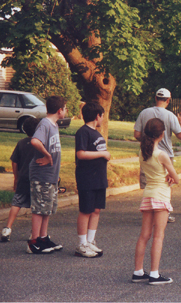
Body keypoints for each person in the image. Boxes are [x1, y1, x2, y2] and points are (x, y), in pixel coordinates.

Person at [132, 118, 180, 285]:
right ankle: (154, 273)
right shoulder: (162, 154)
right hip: (161, 195)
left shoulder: (143, 152)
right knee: (158, 236)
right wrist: (169, 176)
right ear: (162, 134)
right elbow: (176, 178)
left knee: (144, 235)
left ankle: (138, 271)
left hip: (148, 194)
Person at [134, 88, 181, 223]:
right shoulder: (170, 116)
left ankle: (148, 211)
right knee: (166, 183)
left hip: (147, 152)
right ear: (168, 100)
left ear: (155, 98)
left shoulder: (144, 113)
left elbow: (137, 134)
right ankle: (163, 213)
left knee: (148, 182)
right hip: (165, 154)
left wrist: (146, 142)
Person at [27, 95, 67, 254]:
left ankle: (43, 238)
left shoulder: (54, 125)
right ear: (59, 110)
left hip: (50, 176)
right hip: (41, 175)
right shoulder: (45, 124)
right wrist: (47, 155)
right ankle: (33, 241)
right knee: (39, 208)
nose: (66, 110)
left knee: (47, 208)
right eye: (65, 108)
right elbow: (35, 141)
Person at [74, 103, 111, 258]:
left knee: (96, 210)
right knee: (86, 210)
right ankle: (82, 244)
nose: (103, 119)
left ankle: (90, 241)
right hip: (87, 178)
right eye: (102, 116)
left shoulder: (97, 133)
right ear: (98, 116)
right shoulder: (83, 132)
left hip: (99, 178)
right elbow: (81, 154)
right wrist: (103, 155)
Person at [1, 117, 40, 242]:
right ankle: (34, 233)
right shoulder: (39, 144)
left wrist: (16, 178)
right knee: (37, 206)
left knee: (16, 203)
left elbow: (15, 162)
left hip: (23, 177)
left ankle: (7, 228)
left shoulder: (21, 143)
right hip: (36, 179)